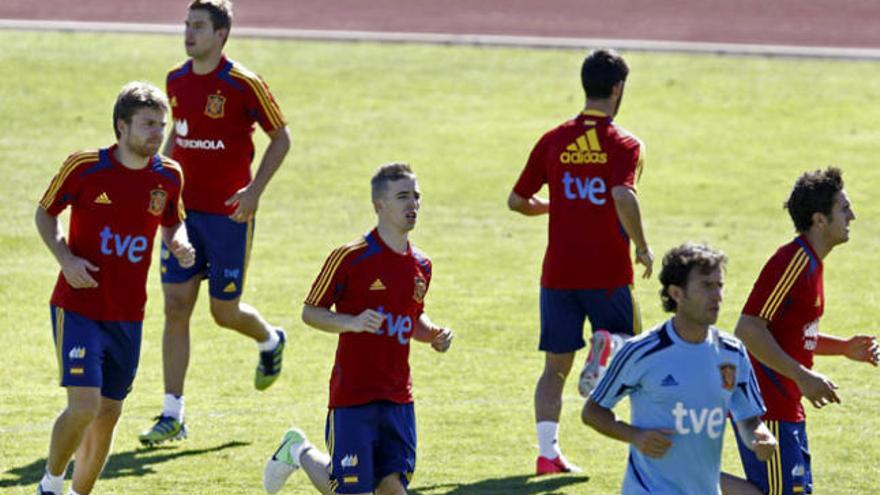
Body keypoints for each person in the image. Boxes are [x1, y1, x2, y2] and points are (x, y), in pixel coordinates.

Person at [139, 0, 292, 446]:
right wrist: (158, 177)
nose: (189, 34)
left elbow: (281, 137)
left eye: (199, 27)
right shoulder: (175, 80)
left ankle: (269, 339)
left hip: (230, 216)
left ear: (222, 34)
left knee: (223, 313)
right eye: (187, 25)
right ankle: (173, 414)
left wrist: (254, 191)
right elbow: (178, 134)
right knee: (175, 307)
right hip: (182, 213)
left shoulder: (244, 84)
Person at [34, 82, 195, 495]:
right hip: (79, 305)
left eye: (162, 125)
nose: (158, 133)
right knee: (84, 405)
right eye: (147, 125)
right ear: (122, 126)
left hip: (127, 313)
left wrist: (178, 242)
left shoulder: (169, 175)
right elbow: (45, 213)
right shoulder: (85, 167)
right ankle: (50, 485)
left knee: (108, 412)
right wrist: (65, 259)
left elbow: (171, 221)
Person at [261, 163, 453, 495]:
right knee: (350, 490)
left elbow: (412, 319)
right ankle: (299, 451)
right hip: (353, 396)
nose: (413, 205)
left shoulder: (422, 265)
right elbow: (310, 312)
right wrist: (350, 322)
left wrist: (432, 334)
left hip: (398, 398)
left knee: (393, 487)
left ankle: (301, 452)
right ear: (380, 205)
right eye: (403, 197)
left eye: (417, 197)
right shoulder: (350, 258)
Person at [507, 48, 653, 474]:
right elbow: (623, 195)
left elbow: (517, 200)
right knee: (633, 346)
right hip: (606, 271)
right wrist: (642, 245)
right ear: (618, 88)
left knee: (554, 370)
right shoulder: (626, 144)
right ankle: (605, 347)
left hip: (558, 274)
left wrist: (556, 206)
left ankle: (547, 454)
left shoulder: (554, 139)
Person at [582, 243, 777, 494]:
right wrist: (635, 435)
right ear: (676, 293)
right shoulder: (642, 352)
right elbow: (593, 411)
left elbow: (748, 418)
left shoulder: (732, 352)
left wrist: (759, 436)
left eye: (719, 286)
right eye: (706, 286)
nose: (717, 295)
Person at [734, 167, 879, 494]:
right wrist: (803, 376)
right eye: (844, 208)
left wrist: (843, 347)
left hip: (787, 406)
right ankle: (685, 477)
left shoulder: (811, 263)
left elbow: (791, 335)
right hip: (767, 407)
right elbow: (749, 328)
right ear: (820, 220)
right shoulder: (794, 261)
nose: (853, 216)